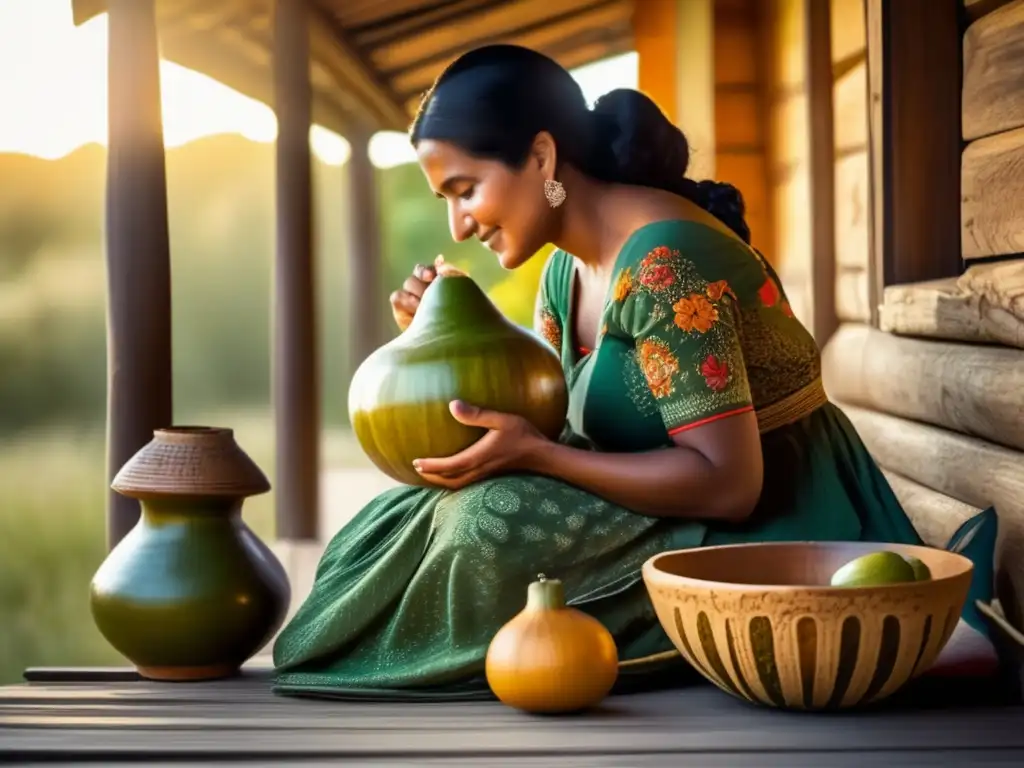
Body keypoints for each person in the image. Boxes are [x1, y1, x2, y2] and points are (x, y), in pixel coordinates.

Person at [272, 44, 997, 699]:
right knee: (400, 513)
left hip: (778, 518)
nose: (458, 225)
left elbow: (731, 484)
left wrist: (536, 456)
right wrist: (435, 334)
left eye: (466, 189)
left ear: (543, 159)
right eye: (446, 201)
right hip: (663, 502)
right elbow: (544, 412)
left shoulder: (665, 268)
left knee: (482, 523)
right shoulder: (566, 271)